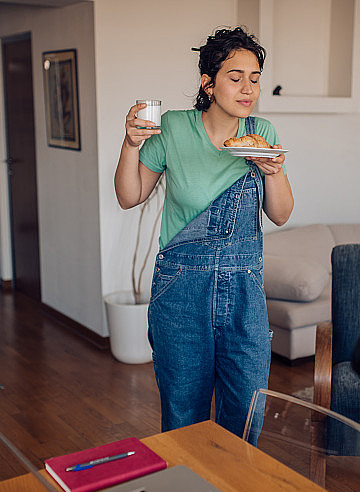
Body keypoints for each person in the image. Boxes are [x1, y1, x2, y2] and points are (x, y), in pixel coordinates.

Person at [114, 27, 293, 437]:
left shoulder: (261, 134)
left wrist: (275, 171)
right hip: (180, 290)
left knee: (246, 413)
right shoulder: (174, 128)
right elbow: (129, 196)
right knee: (183, 418)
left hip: (244, 292)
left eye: (255, 77)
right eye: (236, 77)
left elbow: (280, 214)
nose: (248, 88)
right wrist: (130, 144)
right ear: (208, 83)